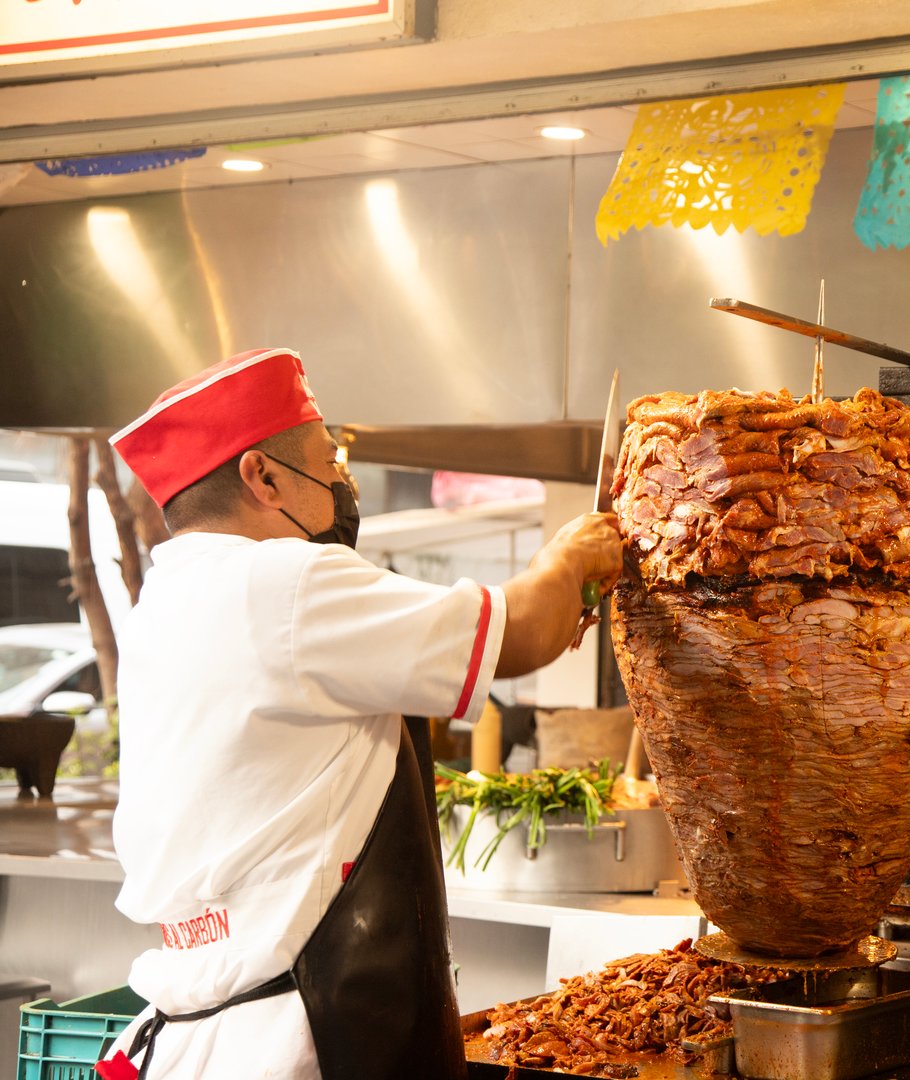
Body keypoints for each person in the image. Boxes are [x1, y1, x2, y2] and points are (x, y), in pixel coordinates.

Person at [95, 348, 622, 1080]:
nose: (343, 483)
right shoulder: (283, 581)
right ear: (262, 476)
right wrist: (571, 556)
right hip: (299, 1042)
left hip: (197, 1037)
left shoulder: (164, 603)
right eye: (328, 461)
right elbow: (522, 631)